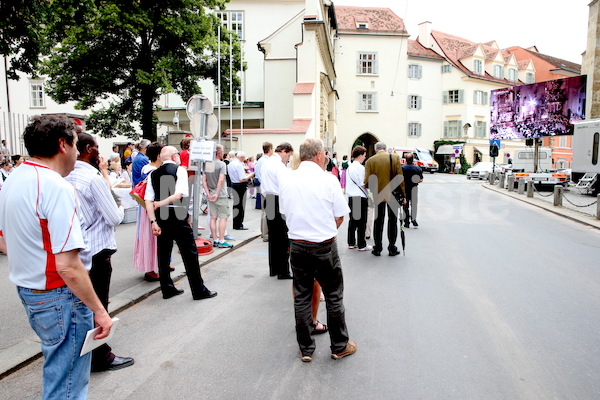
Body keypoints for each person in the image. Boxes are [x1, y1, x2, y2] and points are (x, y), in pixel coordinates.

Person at [0, 114, 113, 399]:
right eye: (76, 144)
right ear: (63, 144)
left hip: (32, 290)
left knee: (59, 375)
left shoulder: (14, 179)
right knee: (68, 385)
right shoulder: (56, 186)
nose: (78, 152)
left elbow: (5, 240)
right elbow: (69, 265)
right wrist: (100, 311)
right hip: (59, 295)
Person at [279, 138, 356, 362]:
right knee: (333, 295)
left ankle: (306, 349)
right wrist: (327, 229)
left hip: (298, 245)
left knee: (301, 296)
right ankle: (339, 345)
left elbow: (285, 212)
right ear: (319, 155)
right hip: (323, 245)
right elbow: (341, 214)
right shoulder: (328, 180)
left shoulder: (288, 179)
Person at [65, 132, 134, 373]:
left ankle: (85, 353)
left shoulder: (65, 175)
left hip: (75, 249)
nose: (100, 153)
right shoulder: (91, 178)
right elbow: (114, 217)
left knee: (81, 305)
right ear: (86, 149)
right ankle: (100, 356)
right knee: (98, 305)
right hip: (96, 249)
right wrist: (121, 205)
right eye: (95, 147)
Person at [145, 146, 217, 300]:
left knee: (163, 254)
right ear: (174, 156)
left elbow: (148, 200)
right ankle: (198, 290)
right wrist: (162, 203)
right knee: (189, 254)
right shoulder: (179, 170)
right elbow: (179, 194)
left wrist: (153, 221)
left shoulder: (153, 173)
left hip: (161, 217)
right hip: (177, 215)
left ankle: (167, 289)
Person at [364, 141, 406, 257]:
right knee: (392, 221)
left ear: (376, 150)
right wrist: (404, 196)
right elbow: (400, 178)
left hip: (378, 195)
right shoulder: (395, 158)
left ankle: (377, 247)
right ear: (386, 149)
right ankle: (392, 247)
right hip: (393, 194)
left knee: (378, 221)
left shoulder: (370, 161)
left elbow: (367, 181)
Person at [261, 142, 294, 279]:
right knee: (281, 237)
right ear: (285, 151)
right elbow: (284, 186)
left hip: (267, 199)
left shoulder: (266, 163)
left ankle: (273, 268)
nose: (289, 159)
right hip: (277, 200)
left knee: (273, 237)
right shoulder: (279, 166)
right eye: (289, 156)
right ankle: (283, 271)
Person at [133, 142, 163, 281]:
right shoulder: (156, 170)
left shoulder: (146, 167)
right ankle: (152, 269)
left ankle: (155, 266)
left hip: (144, 205)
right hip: (151, 206)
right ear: (158, 155)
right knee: (152, 237)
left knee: (148, 237)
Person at [202, 144, 232, 248]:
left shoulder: (207, 164)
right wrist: (217, 193)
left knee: (213, 217)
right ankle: (221, 239)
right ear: (219, 153)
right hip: (221, 194)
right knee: (223, 217)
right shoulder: (222, 164)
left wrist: (208, 193)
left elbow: (204, 180)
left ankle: (215, 239)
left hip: (210, 193)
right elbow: (221, 180)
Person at [346, 146, 371, 251]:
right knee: (362, 222)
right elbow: (363, 183)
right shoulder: (361, 168)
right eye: (364, 155)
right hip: (360, 197)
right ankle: (362, 244)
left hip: (352, 196)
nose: (365, 157)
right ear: (360, 155)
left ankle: (351, 242)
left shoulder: (349, 167)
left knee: (353, 221)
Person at [228, 151, 254, 230]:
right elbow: (242, 179)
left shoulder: (231, 163)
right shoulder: (239, 165)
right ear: (241, 157)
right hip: (240, 185)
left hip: (234, 184)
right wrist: (250, 175)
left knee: (236, 205)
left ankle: (236, 223)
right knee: (240, 205)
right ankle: (239, 224)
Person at [254, 142, 273, 240]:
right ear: (270, 149)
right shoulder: (266, 161)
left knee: (263, 211)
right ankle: (266, 234)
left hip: (262, 186)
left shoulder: (259, 160)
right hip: (266, 188)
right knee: (267, 212)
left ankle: (263, 232)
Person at [402, 152, 424, 228]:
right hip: (414, 188)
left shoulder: (402, 168)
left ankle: (406, 222)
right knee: (414, 205)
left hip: (405, 189)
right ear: (413, 160)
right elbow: (421, 180)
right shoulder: (418, 168)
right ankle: (413, 220)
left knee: (405, 205)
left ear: (405, 160)